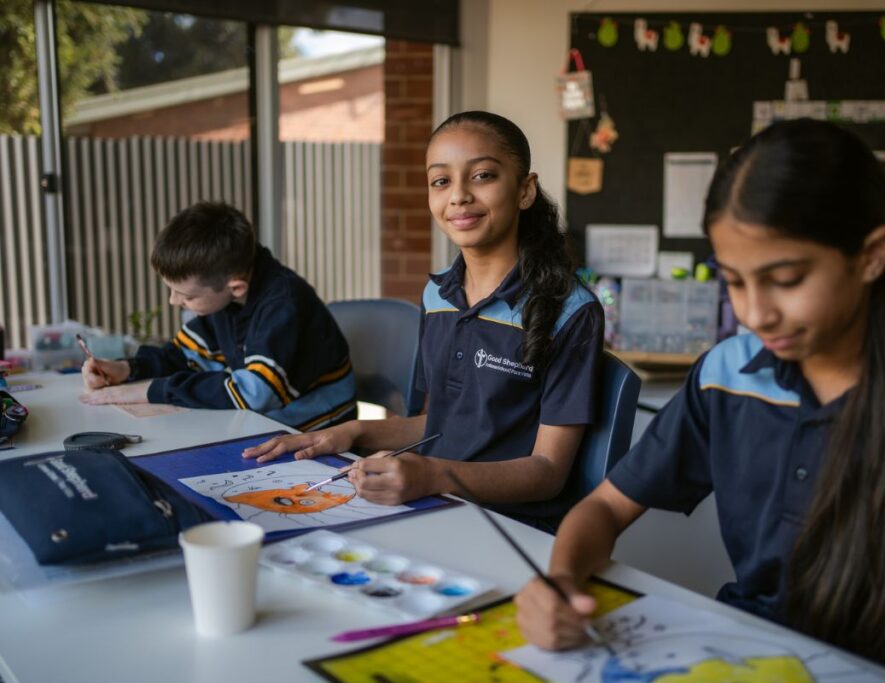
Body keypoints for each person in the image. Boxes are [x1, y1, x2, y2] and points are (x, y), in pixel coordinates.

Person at [514, 119, 885, 682]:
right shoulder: (729, 375)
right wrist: (560, 581)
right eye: (734, 281)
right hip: (748, 657)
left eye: (785, 279)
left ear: (873, 255)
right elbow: (606, 507)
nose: (756, 313)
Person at [243, 111, 604, 531]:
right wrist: (352, 433)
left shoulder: (572, 311)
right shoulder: (437, 296)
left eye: (483, 176)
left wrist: (432, 475)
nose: (459, 196)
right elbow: (440, 425)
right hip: (435, 507)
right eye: (441, 181)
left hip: (514, 529)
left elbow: (547, 471)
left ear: (525, 190)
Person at [80, 201, 357, 432]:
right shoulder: (229, 293)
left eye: (186, 296)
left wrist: (152, 390)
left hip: (316, 428)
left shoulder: (283, 304)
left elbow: (254, 393)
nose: (174, 301)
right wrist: (129, 369)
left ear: (235, 287)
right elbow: (185, 356)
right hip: (263, 421)